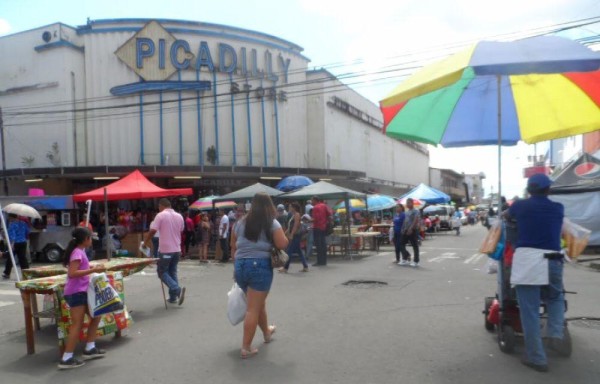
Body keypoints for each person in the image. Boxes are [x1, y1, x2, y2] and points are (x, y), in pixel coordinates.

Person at [506, 174, 564, 373]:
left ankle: (537, 358)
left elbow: (507, 217)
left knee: (529, 311)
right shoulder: (558, 208)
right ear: (548, 190)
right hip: (553, 259)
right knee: (555, 298)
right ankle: (555, 334)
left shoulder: (519, 206)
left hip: (528, 261)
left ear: (529, 190)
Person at [230, 192, 289, 359]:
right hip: (259, 265)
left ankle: (266, 333)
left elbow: (233, 246)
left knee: (257, 302)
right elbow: (282, 243)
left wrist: (236, 265)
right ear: (268, 205)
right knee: (253, 308)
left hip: (241, 264)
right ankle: (246, 347)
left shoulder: (240, 222)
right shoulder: (271, 222)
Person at [58, 227, 107, 369]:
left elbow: (79, 268)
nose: (91, 240)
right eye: (90, 238)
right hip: (76, 292)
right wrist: (93, 270)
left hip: (81, 291)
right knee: (77, 324)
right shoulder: (77, 253)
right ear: (85, 240)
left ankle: (90, 348)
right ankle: (66, 358)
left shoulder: (80, 252)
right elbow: (72, 273)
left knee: (96, 315)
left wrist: (92, 267)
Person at [142, 198, 186, 305]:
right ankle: (173, 297)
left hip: (166, 249)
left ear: (161, 206)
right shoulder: (179, 216)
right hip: (177, 249)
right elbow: (181, 229)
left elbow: (153, 230)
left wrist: (145, 242)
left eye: (159, 207)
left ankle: (176, 289)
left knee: (161, 272)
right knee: (172, 271)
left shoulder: (160, 215)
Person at [279, 202, 309, 273]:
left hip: (296, 235)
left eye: (290, 207)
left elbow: (295, 225)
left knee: (289, 251)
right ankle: (305, 266)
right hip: (294, 235)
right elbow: (290, 227)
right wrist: (285, 233)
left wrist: (291, 234)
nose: (289, 208)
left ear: (294, 208)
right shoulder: (293, 215)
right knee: (299, 251)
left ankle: (285, 268)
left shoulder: (297, 215)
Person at [2, 214, 30, 279]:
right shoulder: (23, 223)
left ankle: (7, 273)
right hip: (23, 242)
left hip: (15, 243)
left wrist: (12, 244)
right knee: (23, 258)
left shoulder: (12, 225)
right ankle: (27, 273)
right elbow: (27, 232)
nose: (9, 219)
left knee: (11, 258)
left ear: (11, 217)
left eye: (9, 217)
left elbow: (12, 235)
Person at [399, 198, 421, 267]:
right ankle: (405, 258)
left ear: (412, 203)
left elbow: (416, 220)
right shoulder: (407, 211)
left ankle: (416, 261)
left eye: (408, 203)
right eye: (407, 203)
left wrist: (411, 229)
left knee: (415, 245)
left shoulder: (416, 211)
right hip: (406, 230)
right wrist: (403, 229)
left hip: (413, 230)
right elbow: (405, 221)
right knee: (401, 244)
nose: (407, 204)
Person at [311, 196, 331, 266]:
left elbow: (315, 219)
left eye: (312, 200)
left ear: (315, 200)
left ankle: (319, 261)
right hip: (323, 227)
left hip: (317, 227)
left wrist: (308, 220)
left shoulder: (315, 208)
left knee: (318, 245)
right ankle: (324, 261)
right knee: (323, 244)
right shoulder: (324, 206)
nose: (311, 202)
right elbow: (330, 213)